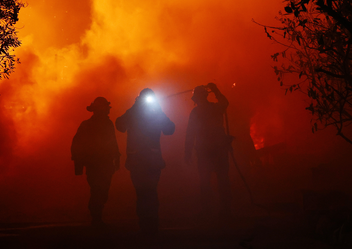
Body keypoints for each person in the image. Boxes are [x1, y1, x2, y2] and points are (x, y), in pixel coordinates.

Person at [115, 88, 175, 235]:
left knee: (148, 193)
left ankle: (150, 225)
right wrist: (134, 108)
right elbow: (120, 125)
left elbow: (169, 129)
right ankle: (146, 225)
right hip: (140, 162)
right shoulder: (133, 113)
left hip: (148, 162)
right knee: (144, 193)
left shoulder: (155, 113)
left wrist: (159, 111)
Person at [184, 83, 233, 223]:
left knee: (205, 182)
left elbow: (190, 134)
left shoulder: (196, 112)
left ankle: (208, 211)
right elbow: (225, 103)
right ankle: (225, 211)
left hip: (205, 151)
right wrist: (216, 90)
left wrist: (187, 152)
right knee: (222, 180)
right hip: (218, 150)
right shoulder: (215, 108)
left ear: (196, 98)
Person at [71, 97, 121, 226]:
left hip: (104, 164)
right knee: (97, 190)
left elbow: (113, 142)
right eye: (105, 109)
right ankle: (96, 217)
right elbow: (77, 145)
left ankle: (96, 215)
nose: (107, 111)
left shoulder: (107, 124)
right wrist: (79, 164)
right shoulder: (87, 125)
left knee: (102, 191)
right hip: (95, 164)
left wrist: (117, 157)